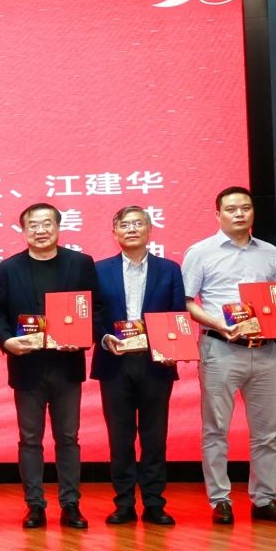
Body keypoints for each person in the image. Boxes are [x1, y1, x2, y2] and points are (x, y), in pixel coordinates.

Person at [181, 187, 276, 525]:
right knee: (216, 429)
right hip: (220, 348)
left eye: (245, 207)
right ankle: (220, 500)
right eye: (231, 209)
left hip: (265, 351)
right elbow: (186, 302)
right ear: (218, 214)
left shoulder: (269, 252)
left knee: (267, 432)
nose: (240, 214)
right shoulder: (200, 252)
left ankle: (265, 500)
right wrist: (217, 322)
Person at [0, 203, 106, 530]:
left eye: (46, 224)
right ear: (24, 230)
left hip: (67, 364)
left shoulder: (80, 263)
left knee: (68, 437)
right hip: (27, 365)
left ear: (57, 227)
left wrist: (84, 338)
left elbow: (96, 308)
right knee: (30, 439)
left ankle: (71, 504)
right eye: (33, 225)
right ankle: (35, 505)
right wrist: (7, 341)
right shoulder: (8, 268)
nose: (40, 231)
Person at [92, 206, 185, 526]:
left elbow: (177, 313)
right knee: (120, 438)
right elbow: (92, 314)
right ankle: (124, 503)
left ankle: (155, 502)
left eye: (137, 224)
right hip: (114, 361)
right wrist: (105, 338)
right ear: (114, 232)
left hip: (155, 363)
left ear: (149, 230)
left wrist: (172, 347)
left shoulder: (169, 269)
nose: (131, 229)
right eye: (124, 225)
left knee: (154, 436)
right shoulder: (98, 270)